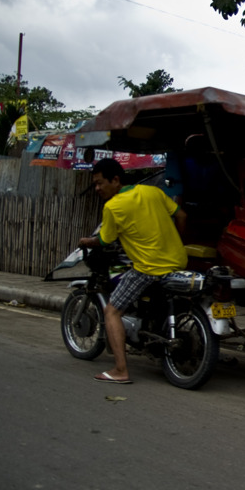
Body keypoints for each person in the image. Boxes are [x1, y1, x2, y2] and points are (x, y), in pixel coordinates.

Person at [78, 157, 188, 384]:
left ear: (116, 180)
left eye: (100, 183)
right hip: (178, 261)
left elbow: (105, 240)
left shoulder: (113, 207)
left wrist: (87, 242)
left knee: (112, 311)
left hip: (148, 268)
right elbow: (181, 216)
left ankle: (120, 370)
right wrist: (176, 242)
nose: (97, 189)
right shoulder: (153, 192)